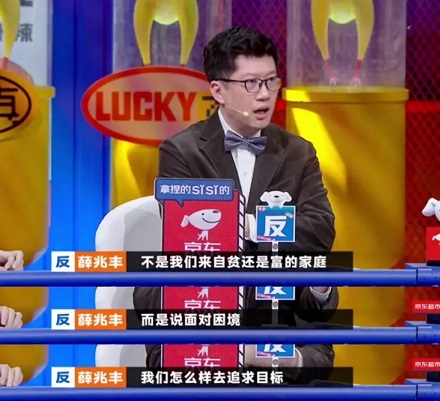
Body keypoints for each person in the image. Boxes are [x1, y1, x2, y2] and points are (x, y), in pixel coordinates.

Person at [134, 26, 338, 384]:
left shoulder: (298, 153)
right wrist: (271, 234)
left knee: (317, 341)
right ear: (218, 90)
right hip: (207, 314)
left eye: (271, 81)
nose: (265, 94)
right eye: (251, 83)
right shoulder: (182, 152)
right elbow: (196, 243)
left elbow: (320, 231)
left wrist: (252, 225)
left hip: (276, 316)